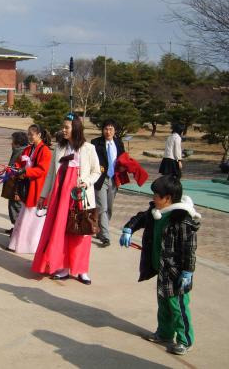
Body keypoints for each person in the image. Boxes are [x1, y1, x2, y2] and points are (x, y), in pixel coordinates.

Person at [120, 175, 200, 356]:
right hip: (162, 268)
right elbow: (140, 218)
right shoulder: (156, 212)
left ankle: (185, 340)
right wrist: (128, 228)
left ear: (168, 198)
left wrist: (187, 271)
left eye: (157, 195)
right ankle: (164, 333)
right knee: (163, 303)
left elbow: (189, 249)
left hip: (176, 272)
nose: (153, 198)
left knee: (178, 307)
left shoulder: (182, 219)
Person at [32, 114, 101, 285]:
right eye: (63, 127)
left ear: (76, 128)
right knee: (60, 231)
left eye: (67, 127)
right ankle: (62, 267)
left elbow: (96, 171)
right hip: (59, 196)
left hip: (79, 197)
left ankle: (81, 270)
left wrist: (86, 182)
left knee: (80, 232)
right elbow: (50, 174)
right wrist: (43, 195)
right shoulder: (59, 148)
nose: (63, 130)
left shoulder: (88, 149)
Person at [7, 125, 52, 253]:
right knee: (24, 216)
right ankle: (18, 243)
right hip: (28, 186)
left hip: (38, 188)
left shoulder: (45, 151)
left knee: (32, 219)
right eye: (29, 134)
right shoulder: (29, 149)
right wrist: (14, 168)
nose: (30, 137)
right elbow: (20, 161)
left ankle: (30, 245)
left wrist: (25, 171)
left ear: (39, 135)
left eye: (32, 134)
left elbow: (42, 170)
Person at [91, 119, 125, 246]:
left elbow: (123, 159)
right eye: (106, 129)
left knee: (109, 208)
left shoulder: (118, 143)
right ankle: (106, 237)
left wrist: (123, 170)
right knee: (103, 207)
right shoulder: (95, 143)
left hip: (114, 179)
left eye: (110, 129)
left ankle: (100, 230)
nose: (108, 131)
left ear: (114, 130)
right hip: (101, 179)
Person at [3, 131, 29, 234]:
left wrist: (18, 191)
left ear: (17, 142)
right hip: (13, 184)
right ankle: (16, 227)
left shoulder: (22, 153)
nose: (11, 143)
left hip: (18, 186)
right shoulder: (18, 150)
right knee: (13, 206)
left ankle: (19, 230)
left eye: (12, 141)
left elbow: (21, 171)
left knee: (16, 207)